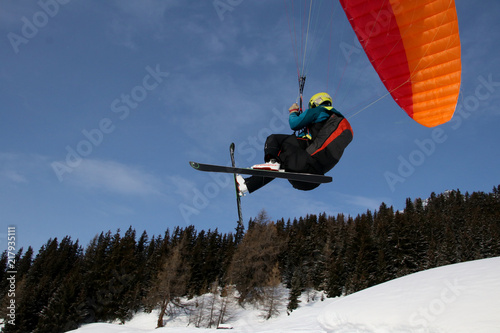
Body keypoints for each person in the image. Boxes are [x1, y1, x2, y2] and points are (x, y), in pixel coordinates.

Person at [237, 92, 353, 196]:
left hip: (305, 160)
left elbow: (294, 124)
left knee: (274, 139)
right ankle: (247, 185)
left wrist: (293, 112)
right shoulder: (331, 120)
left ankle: (271, 161)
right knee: (280, 163)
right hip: (311, 176)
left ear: (315, 103)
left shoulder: (319, 110)